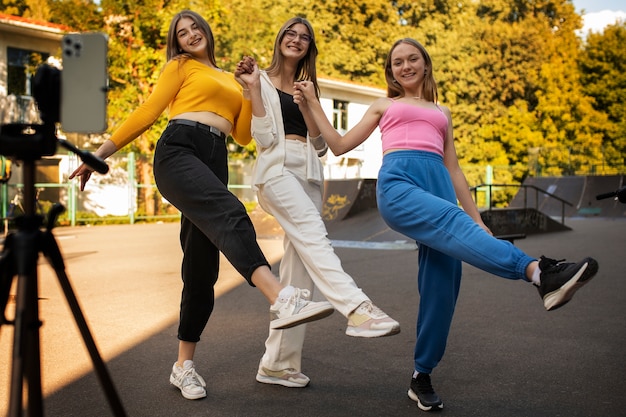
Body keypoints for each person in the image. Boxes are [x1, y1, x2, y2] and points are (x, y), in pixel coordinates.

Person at [294, 38, 599, 411]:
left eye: (412, 59)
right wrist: (311, 102)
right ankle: (538, 273)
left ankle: (421, 375)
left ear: (425, 64)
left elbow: (453, 167)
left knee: (442, 286)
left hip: (438, 184)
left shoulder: (442, 112)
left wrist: (478, 220)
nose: (404, 66)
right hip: (400, 185)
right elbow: (339, 145)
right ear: (391, 71)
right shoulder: (384, 105)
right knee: (451, 222)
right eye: (397, 62)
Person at [68, 10, 334, 401]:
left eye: (195, 28)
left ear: (207, 32)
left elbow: (243, 135)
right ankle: (281, 297)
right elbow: (149, 111)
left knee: (201, 267)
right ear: (177, 43)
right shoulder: (180, 66)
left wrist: (249, 89)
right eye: (182, 33)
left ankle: (182, 366)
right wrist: (100, 153)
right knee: (232, 213)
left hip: (215, 157)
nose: (191, 35)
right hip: (179, 149)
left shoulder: (232, 78)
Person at [234, 17, 400, 388]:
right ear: (279, 40)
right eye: (290, 34)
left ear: (309, 47)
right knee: (314, 234)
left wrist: (309, 103)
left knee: (299, 273)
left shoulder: (308, 87)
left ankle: (277, 364)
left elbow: (322, 145)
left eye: (303, 37)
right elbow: (262, 138)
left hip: (308, 177)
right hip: (276, 173)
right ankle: (357, 308)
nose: (296, 40)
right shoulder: (257, 79)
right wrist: (253, 90)